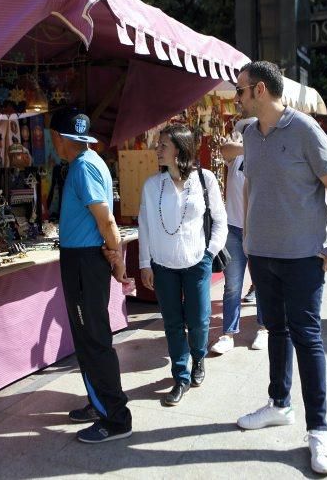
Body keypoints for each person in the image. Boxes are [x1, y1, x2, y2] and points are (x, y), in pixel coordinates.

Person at [233, 61, 327, 475]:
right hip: (262, 254)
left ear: (260, 90)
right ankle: (279, 404)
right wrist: (248, 234)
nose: (237, 99)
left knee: (307, 336)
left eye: (240, 91)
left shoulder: (306, 130)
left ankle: (319, 431)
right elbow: (250, 185)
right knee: (275, 329)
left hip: (302, 257)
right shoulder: (249, 133)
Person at [49, 109, 133, 443]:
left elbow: (106, 221)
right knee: (88, 338)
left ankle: (116, 417)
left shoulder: (83, 167)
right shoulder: (90, 160)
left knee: (93, 339)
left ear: (59, 137)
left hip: (85, 261)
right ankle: (98, 403)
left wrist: (116, 259)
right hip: (81, 258)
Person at [137, 124, 227, 406]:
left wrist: (209, 254)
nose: (157, 149)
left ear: (180, 148)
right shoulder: (153, 185)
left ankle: (198, 358)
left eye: (163, 145)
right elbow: (145, 226)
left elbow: (221, 219)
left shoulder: (205, 179)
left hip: (196, 262)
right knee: (173, 323)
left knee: (200, 319)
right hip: (163, 265)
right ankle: (181, 376)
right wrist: (144, 263)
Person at [210, 119, 267, 354]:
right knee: (232, 286)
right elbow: (225, 150)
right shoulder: (236, 155)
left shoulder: (265, 156)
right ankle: (228, 334)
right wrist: (250, 144)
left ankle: (264, 329)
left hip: (261, 230)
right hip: (233, 229)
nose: (238, 136)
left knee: (262, 284)